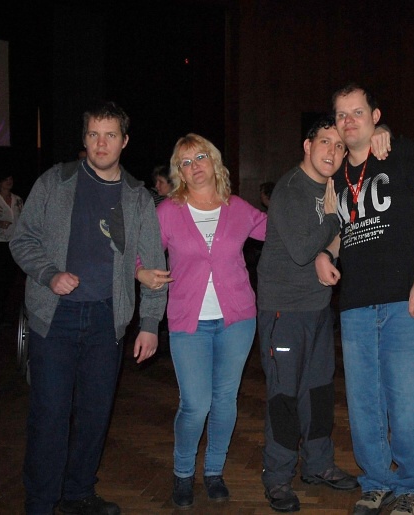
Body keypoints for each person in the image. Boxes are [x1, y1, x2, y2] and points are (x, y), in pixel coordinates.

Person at [10, 101, 167, 515]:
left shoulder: (137, 197)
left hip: (106, 320)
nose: (101, 143)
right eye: (94, 134)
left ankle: (78, 493)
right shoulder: (55, 181)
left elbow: (154, 266)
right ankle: (41, 502)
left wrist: (149, 323)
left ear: (124, 141)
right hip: (54, 318)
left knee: (96, 415)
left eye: (110, 135)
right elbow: (22, 239)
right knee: (49, 415)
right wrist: (49, 274)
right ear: (84, 139)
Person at [316, 83, 414, 515]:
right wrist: (327, 253)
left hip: (408, 300)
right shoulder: (336, 174)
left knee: (411, 401)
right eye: (341, 115)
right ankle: (375, 482)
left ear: (375, 116)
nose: (349, 121)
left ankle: (411, 487)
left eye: (358, 112)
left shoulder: (403, 153)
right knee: (365, 405)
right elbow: (344, 228)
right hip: (355, 304)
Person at [136, 133, 267, 509]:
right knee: (195, 404)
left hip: (237, 320)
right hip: (188, 322)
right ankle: (182, 474)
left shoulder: (238, 208)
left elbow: (280, 233)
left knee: (225, 400)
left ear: (214, 162)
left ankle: (213, 471)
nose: (194, 167)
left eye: (199, 158)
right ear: (179, 172)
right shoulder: (167, 212)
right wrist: (141, 271)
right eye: (185, 162)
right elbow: (139, 253)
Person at [257, 115, 358, 512]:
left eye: (339, 145)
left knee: (318, 391)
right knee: (284, 395)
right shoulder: (291, 189)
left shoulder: (331, 187)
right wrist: (332, 218)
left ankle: (318, 465)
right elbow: (302, 251)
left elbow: (336, 240)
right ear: (307, 145)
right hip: (284, 310)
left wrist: (330, 244)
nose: (332, 151)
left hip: (317, 307)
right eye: (325, 142)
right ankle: (278, 477)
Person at [0, 171, 24, 325]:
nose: (9, 182)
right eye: (5, 179)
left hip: (15, 243)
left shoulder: (18, 200)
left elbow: (24, 220)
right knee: (1, 279)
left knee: (11, 279)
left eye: (10, 178)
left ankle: (5, 313)